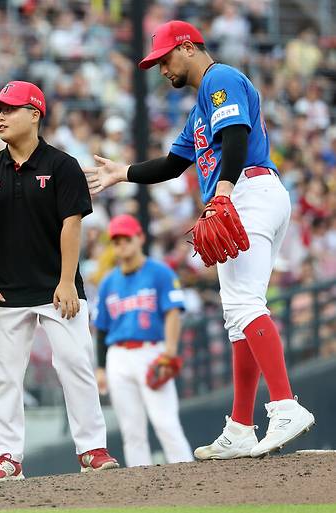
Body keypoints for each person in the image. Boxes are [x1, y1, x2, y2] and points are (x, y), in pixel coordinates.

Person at [84, 20, 315, 460]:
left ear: (188, 48)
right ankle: (242, 427)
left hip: (248, 189)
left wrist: (224, 190)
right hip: (250, 192)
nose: (162, 69)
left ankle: (285, 405)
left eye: (165, 59)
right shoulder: (198, 110)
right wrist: (123, 172)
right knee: (237, 315)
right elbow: (172, 165)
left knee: (245, 305)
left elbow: (236, 135)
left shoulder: (220, 78)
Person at [0, 81, 118, 482]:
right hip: (4, 291)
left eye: (9, 109)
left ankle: (91, 448)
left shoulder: (62, 165)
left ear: (35, 114)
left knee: (77, 366)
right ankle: (6, 456)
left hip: (55, 288)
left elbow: (72, 224)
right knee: (3, 378)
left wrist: (67, 281)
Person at [94, 214, 193, 467]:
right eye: (116, 241)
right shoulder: (107, 283)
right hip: (118, 356)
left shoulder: (160, 272)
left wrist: (169, 352)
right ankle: (142, 490)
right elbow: (102, 328)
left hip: (152, 352)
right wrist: (102, 367)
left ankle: (192, 482)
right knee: (131, 430)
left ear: (140, 238)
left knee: (165, 422)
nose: (122, 245)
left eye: (126, 238)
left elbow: (173, 312)